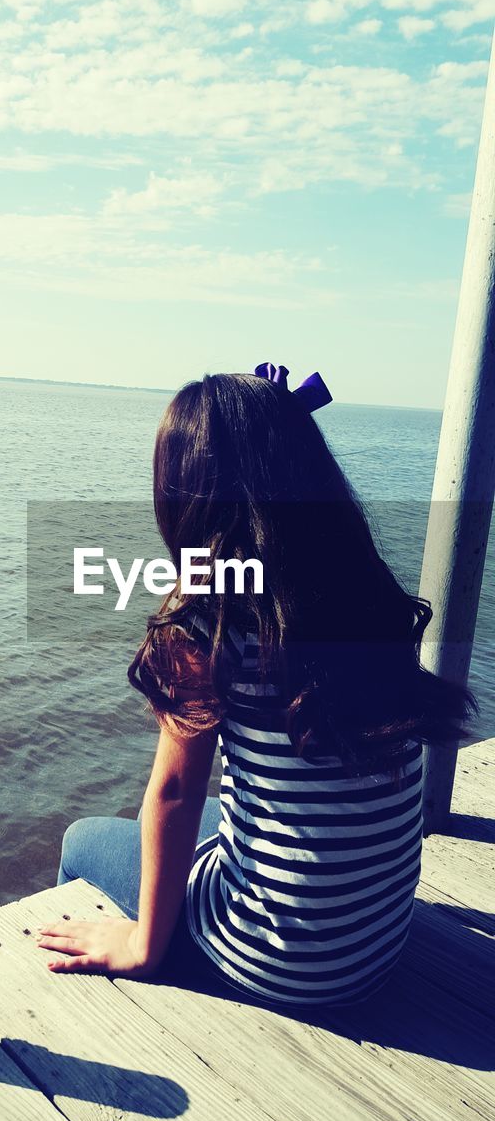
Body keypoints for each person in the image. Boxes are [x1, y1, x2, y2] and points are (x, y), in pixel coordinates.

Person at [37, 369, 475, 1007]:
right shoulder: (367, 595)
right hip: (376, 942)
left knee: (83, 840)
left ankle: (120, 989)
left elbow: (177, 791)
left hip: (279, 962)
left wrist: (143, 944)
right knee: (227, 819)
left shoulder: (208, 622)